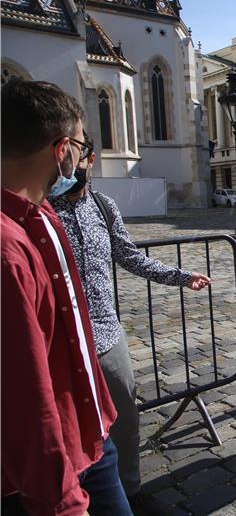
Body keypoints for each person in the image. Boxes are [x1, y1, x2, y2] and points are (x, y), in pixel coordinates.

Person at [50, 142, 211, 510]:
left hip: (107, 337)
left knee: (124, 420)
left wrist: (182, 277)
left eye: (77, 159)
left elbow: (129, 256)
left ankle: (130, 491)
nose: (69, 169)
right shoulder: (42, 213)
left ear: (91, 160)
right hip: (62, 344)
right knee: (65, 431)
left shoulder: (104, 207)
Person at [1, 79, 131, 515]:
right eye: (81, 143)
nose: (85, 155)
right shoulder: (8, 249)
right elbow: (24, 393)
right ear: (61, 150)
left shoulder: (40, 214)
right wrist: (62, 503)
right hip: (50, 473)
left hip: (90, 435)